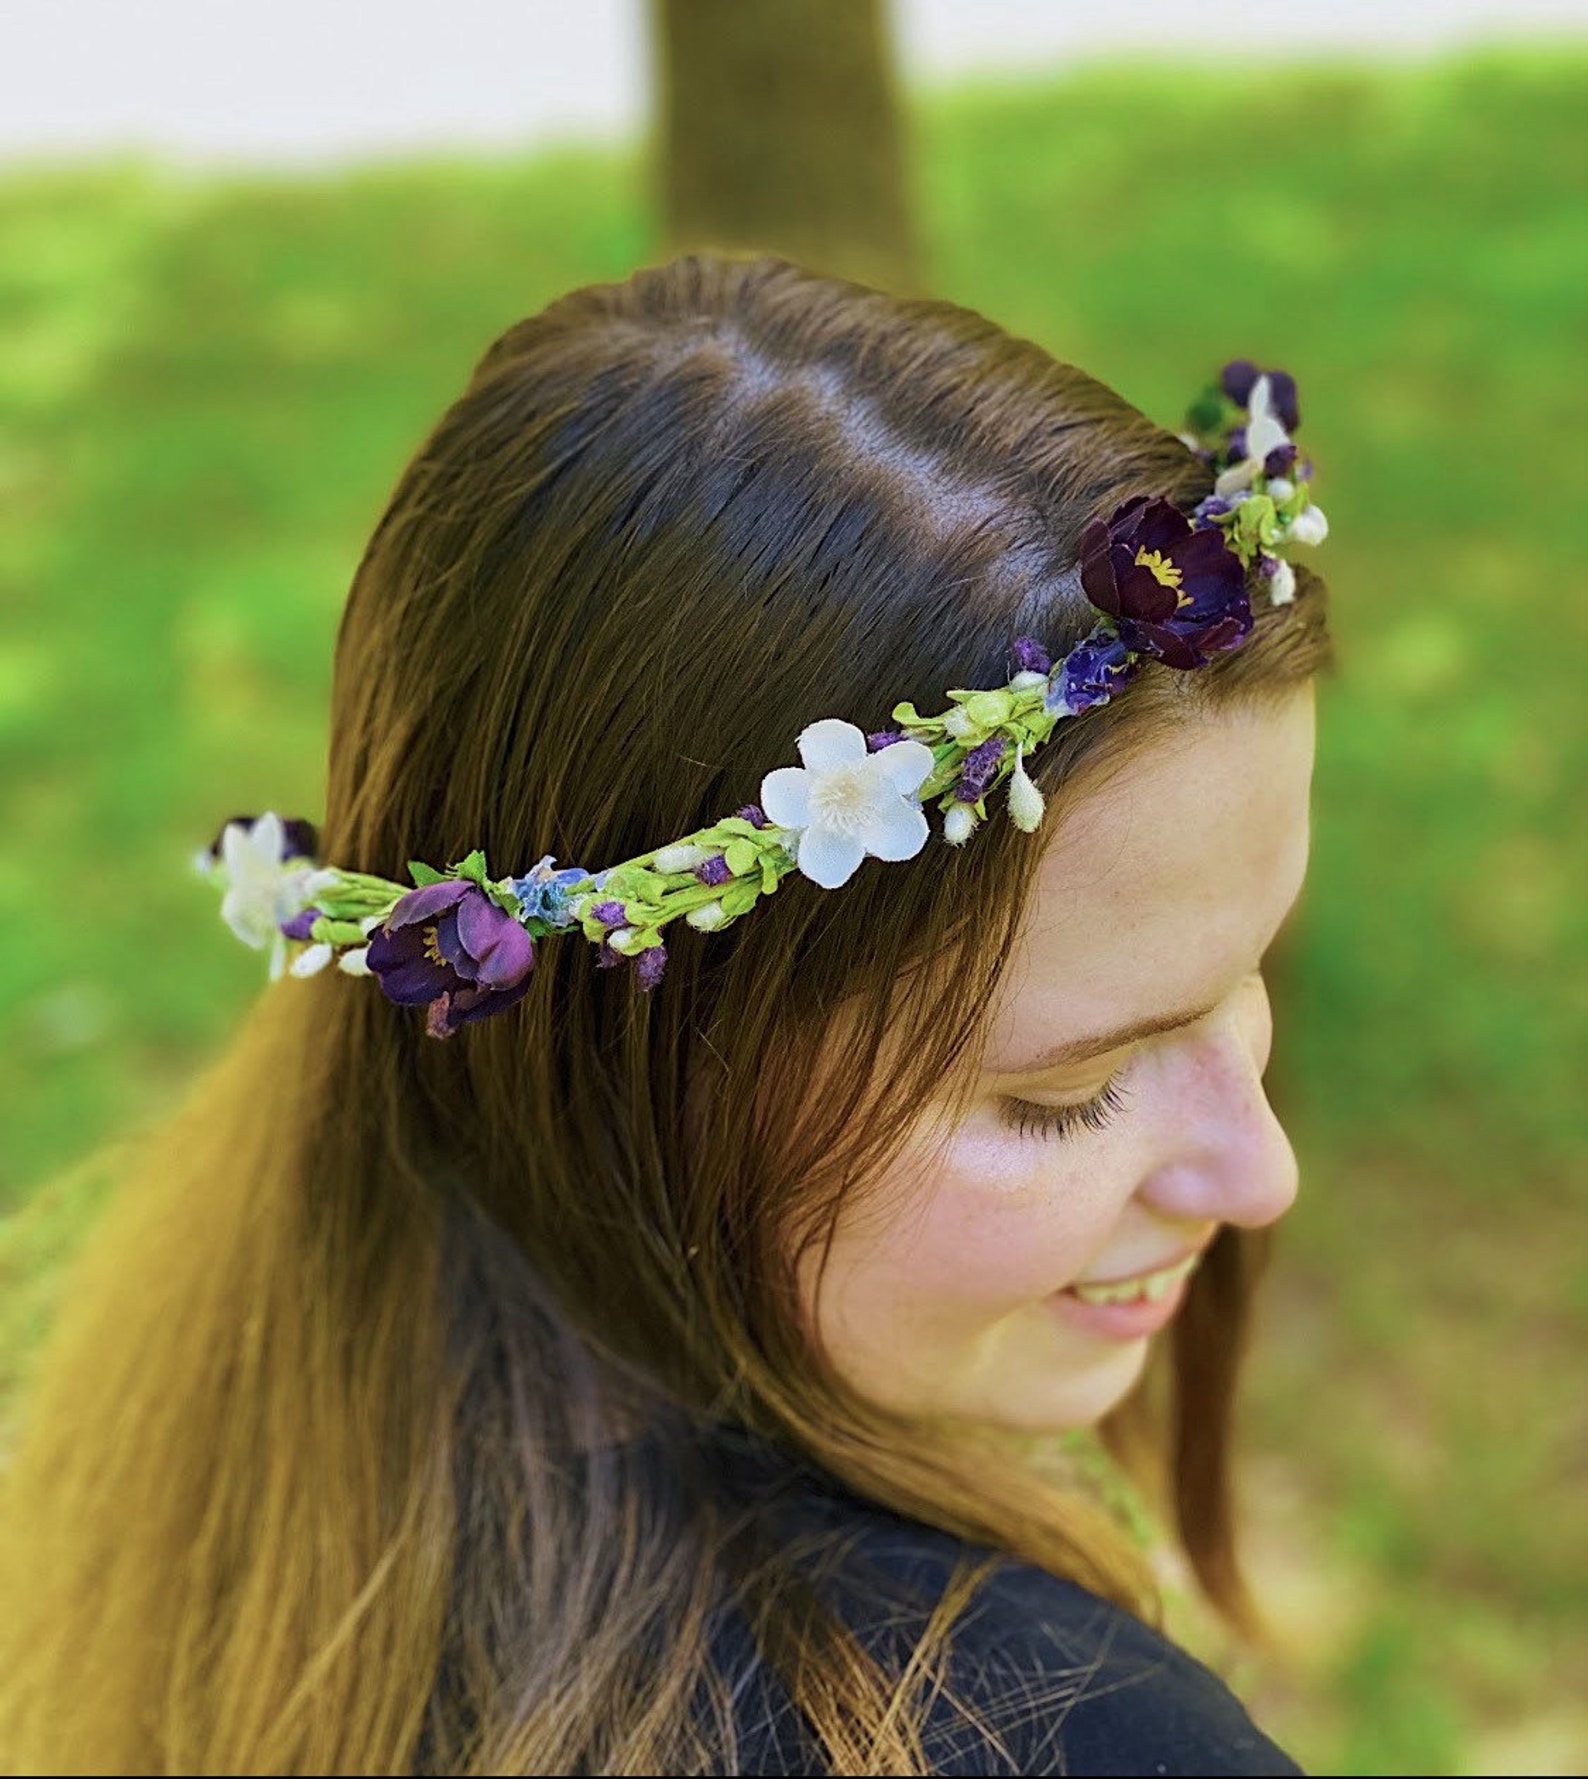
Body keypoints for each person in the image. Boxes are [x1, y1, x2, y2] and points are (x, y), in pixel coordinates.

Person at [0, 253, 1333, 1774]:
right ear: (632, 1068)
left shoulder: (263, 1435)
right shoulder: (1057, 1739)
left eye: (1250, 977)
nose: (1261, 1172)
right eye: (1065, 1095)